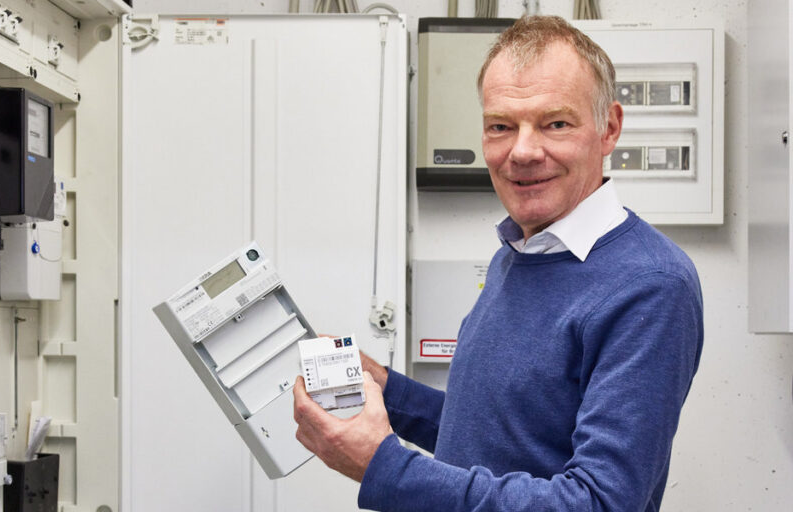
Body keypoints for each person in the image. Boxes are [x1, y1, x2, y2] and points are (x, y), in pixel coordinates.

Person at [292, 15, 703, 511]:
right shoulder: (519, 252)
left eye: (555, 123)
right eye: (501, 127)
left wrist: (383, 467)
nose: (522, 151)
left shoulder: (651, 285)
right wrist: (387, 390)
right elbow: (496, 433)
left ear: (609, 128)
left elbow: (597, 503)